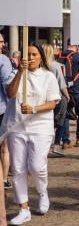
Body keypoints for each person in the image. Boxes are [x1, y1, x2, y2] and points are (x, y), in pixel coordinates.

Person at [6, 43, 60, 225]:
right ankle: (24, 208)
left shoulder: (48, 76)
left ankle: (42, 192)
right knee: (18, 168)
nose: (30, 58)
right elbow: (10, 93)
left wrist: (34, 108)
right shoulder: (17, 74)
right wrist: (20, 72)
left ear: (40, 57)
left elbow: (53, 103)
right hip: (17, 127)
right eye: (27, 54)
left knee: (37, 166)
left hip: (41, 127)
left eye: (34, 54)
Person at [58, 41, 79, 147]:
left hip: (63, 90)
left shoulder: (60, 55)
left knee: (65, 114)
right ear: (77, 46)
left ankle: (65, 141)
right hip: (77, 89)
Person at [42, 44, 70, 157]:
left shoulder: (40, 66)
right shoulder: (55, 66)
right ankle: (57, 145)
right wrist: (67, 97)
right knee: (60, 122)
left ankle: (45, 145)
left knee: (45, 121)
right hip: (57, 98)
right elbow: (62, 84)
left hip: (43, 99)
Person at [0, 34, 12, 191]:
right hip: (2, 109)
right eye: (1, 41)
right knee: (4, 148)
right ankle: (3, 179)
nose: (3, 44)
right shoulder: (3, 60)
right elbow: (7, 86)